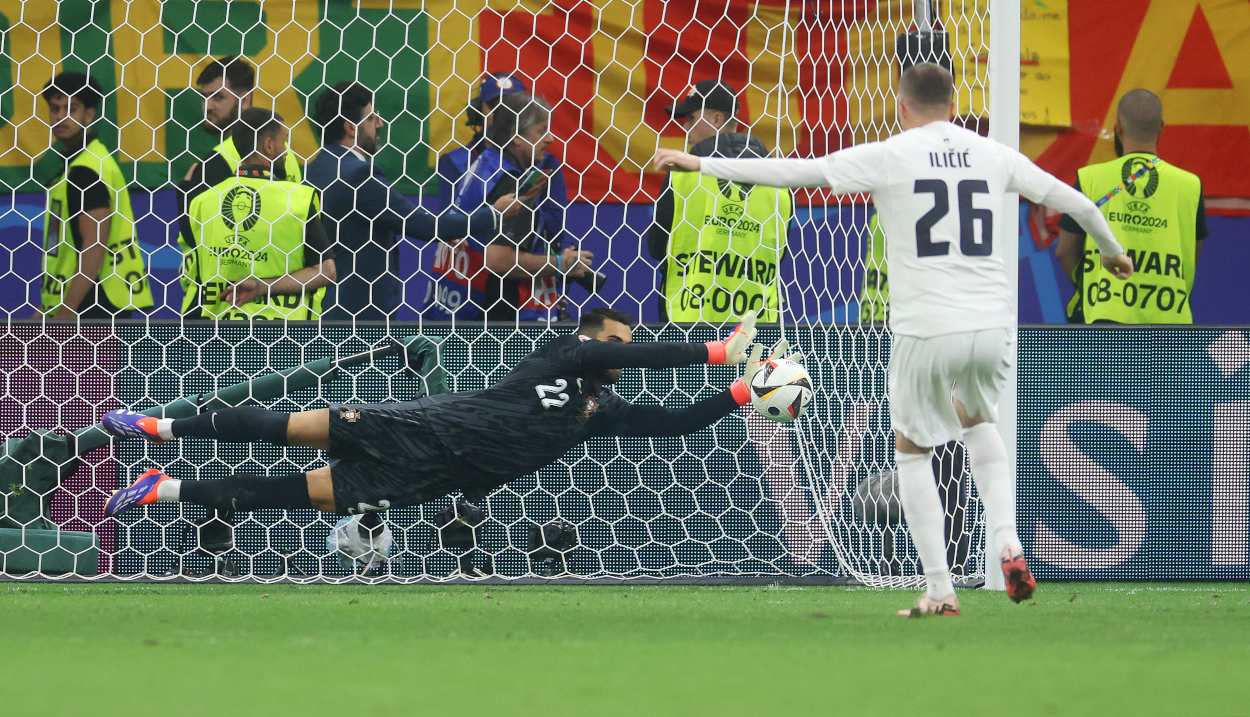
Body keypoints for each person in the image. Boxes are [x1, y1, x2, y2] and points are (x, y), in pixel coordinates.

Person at [654, 63, 1136, 616]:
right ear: (953, 105)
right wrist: (1110, 250)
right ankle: (1007, 540)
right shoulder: (993, 154)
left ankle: (938, 588)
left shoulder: (890, 154)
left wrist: (696, 160)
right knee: (981, 423)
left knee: (911, 451)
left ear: (903, 108)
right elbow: (1075, 203)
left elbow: (798, 171)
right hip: (993, 323)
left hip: (925, 326)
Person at [100, 308, 781, 523]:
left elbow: (675, 425)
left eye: (624, 347)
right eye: (617, 342)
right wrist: (720, 350)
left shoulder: (598, 411)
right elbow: (649, 358)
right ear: (591, 340)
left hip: (429, 475)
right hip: (420, 426)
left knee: (286, 496)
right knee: (284, 427)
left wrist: (747, 392)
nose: (623, 353)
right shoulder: (556, 359)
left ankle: (163, 486)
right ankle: (157, 426)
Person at [305, 81, 519, 321]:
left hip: (317, 310)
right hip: (357, 315)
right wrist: (495, 213)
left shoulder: (312, 171)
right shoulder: (359, 175)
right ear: (351, 128)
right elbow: (425, 226)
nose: (379, 124)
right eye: (372, 118)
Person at [424, 93, 593, 323]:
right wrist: (561, 265)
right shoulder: (512, 182)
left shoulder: (484, 165)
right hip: (495, 319)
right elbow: (498, 259)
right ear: (516, 138)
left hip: (455, 307)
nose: (551, 139)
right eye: (541, 131)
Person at [1056, 89, 1207, 325]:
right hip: (1169, 322)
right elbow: (1191, 257)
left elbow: (1064, 250)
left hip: (1103, 319)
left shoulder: (1090, 178)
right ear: (1161, 127)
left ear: (1117, 127)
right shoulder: (1190, 186)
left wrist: (1091, 286)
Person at [647, 80, 792, 324]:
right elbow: (779, 254)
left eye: (691, 117)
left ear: (716, 119)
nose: (685, 126)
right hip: (757, 323)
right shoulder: (778, 182)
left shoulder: (683, 175)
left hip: (689, 320)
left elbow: (657, 246)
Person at [181, 108, 336, 320]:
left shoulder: (202, 202)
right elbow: (326, 271)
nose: (287, 151)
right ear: (269, 145)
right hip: (284, 337)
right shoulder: (299, 199)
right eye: (284, 142)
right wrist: (261, 287)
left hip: (217, 334)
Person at [178, 57, 303, 310]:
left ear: (245, 100)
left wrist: (185, 192)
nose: (207, 106)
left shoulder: (216, 163)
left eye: (218, 97)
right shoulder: (285, 155)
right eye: (204, 97)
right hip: (283, 302)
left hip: (220, 304)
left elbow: (198, 238)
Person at [35, 71, 154, 321]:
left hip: (94, 305)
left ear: (89, 114)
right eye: (55, 109)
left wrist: (65, 314)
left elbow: (94, 246)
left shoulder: (86, 171)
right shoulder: (87, 162)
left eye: (71, 108)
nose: (60, 117)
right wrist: (48, 308)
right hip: (85, 301)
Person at [434, 72, 527, 217]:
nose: (502, 113)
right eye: (494, 106)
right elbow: (448, 226)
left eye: (512, 106)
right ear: (477, 111)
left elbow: (555, 228)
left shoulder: (545, 162)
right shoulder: (455, 162)